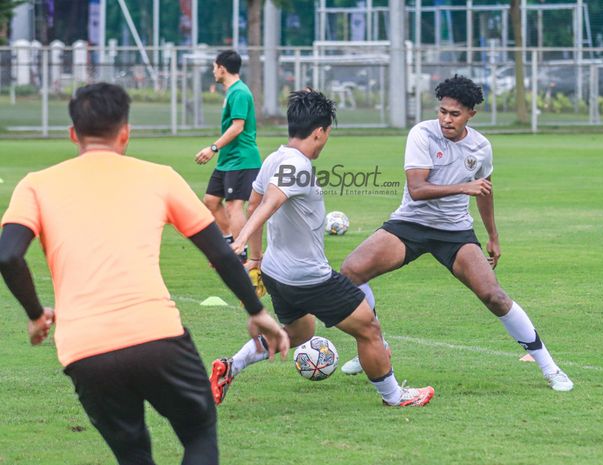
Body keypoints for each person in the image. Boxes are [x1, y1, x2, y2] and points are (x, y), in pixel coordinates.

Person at [0, 83, 289, 465]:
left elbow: (7, 257)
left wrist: (37, 316)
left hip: (85, 350)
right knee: (199, 434)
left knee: (134, 454)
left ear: (73, 134)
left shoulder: (35, 185)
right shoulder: (160, 177)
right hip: (157, 336)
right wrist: (256, 310)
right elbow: (220, 251)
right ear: (126, 132)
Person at [339, 75, 574, 392]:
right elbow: (417, 189)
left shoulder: (480, 146)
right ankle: (374, 344)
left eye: (454, 114)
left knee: (494, 296)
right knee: (351, 271)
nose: (446, 119)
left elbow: (485, 191)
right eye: (442, 111)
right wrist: (464, 186)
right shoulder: (422, 133)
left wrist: (493, 236)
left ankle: (550, 368)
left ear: (470, 115)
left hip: (454, 231)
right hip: (411, 223)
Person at [209, 89, 434, 407]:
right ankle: (395, 396)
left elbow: (255, 200)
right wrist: (242, 241)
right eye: (327, 133)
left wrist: (257, 258)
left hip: (276, 272)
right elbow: (271, 201)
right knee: (369, 328)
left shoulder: (274, 157)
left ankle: (229, 367)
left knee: (299, 332)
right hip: (308, 277)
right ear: (320, 131)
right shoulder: (297, 165)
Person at [195, 50, 261, 261]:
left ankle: (239, 252)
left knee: (234, 205)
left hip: (241, 159)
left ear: (222, 68)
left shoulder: (240, 92)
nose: (213, 71)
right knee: (211, 200)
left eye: (214, 67)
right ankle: (230, 242)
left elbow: (238, 127)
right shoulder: (231, 91)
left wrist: (213, 148)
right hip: (228, 160)